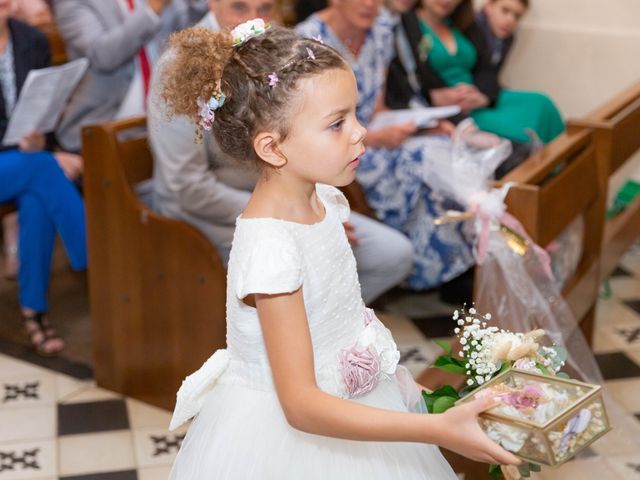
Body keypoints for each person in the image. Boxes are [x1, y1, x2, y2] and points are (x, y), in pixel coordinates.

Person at [160, 21, 520, 478]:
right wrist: (436, 430)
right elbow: (302, 406)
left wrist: (399, 387)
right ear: (272, 148)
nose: (361, 131)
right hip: (292, 440)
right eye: (337, 123)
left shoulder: (323, 199)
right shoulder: (271, 248)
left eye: (355, 114)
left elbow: (342, 315)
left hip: (357, 396)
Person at [148, 0, 414, 304]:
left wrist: (312, 205)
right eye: (239, 7)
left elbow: (297, 140)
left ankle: (320, 327)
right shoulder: (182, 64)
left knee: (392, 253)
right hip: (201, 214)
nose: (253, 20)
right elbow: (185, 186)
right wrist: (291, 215)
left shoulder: (267, 49)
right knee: (302, 259)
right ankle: (281, 333)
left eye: (264, 8)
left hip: (279, 191)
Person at [297, 0, 476, 293]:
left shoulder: (380, 30)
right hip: (330, 150)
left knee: (441, 145)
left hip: (369, 135)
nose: (370, 5)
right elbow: (308, 129)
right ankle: (423, 265)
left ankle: (449, 265)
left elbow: (376, 111)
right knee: (421, 160)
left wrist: (422, 124)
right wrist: (376, 138)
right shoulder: (309, 40)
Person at [0, 10, 86, 357]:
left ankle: (33, 309)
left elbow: (42, 106)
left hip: (23, 159)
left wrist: (42, 144)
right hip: (24, 162)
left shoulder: (29, 38)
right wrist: (49, 156)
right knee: (42, 171)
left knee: (37, 196)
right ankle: (95, 257)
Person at [388, 0, 563, 144]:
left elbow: (487, 69)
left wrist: (482, 96)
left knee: (542, 104)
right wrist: (435, 96)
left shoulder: (464, 25)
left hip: (478, 97)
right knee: (522, 132)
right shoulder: (406, 25)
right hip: (448, 107)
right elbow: (412, 76)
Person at [54, 0, 195, 152]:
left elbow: (191, 27)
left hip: (166, 118)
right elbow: (102, 55)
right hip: (105, 124)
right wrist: (152, 10)